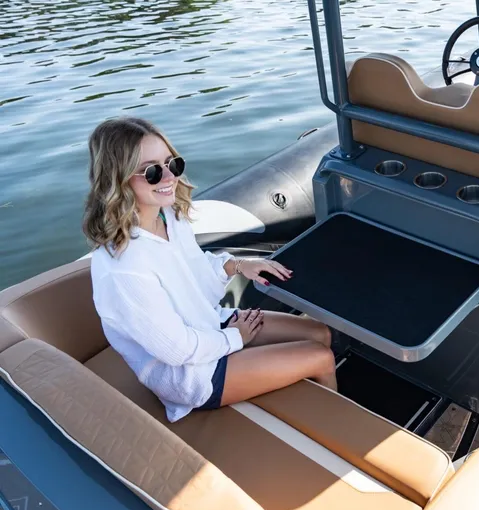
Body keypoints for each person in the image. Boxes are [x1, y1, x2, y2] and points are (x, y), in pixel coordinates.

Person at [83, 116, 337, 423]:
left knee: (320, 333)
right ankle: (341, 438)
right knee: (321, 358)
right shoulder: (124, 267)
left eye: (171, 163)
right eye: (152, 172)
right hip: (191, 375)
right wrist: (236, 338)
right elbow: (177, 351)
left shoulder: (168, 217)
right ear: (119, 179)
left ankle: (305, 404)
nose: (168, 178)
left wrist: (240, 266)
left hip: (210, 326)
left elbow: (197, 275)